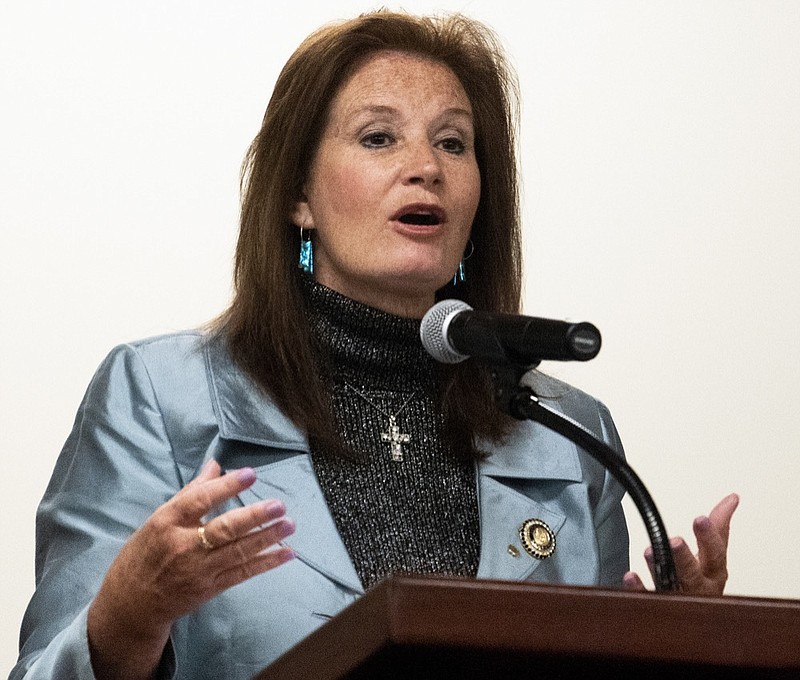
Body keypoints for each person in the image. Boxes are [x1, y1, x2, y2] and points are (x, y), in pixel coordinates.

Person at [11, 10, 738, 680]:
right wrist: (126, 619)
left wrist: (691, 649)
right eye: (379, 137)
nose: (427, 166)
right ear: (298, 194)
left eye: (453, 142)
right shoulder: (159, 398)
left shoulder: (570, 437)